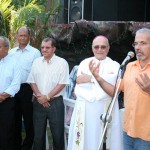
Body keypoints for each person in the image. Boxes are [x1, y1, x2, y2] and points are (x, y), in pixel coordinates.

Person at [68, 35, 123, 150]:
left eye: (103, 47)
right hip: (84, 109)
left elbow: (112, 91)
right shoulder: (84, 63)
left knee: (104, 140)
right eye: (96, 47)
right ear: (92, 48)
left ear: (108, 48)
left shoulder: (115, 65)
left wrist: (91, 79)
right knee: (83, 141)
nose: (100, 49)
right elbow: (78, 81)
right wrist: (99, 79)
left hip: (105, 108)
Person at [27, 37, 69, 150]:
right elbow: (31, 80)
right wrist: (41, 97)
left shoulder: (62, 63)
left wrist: (47, 97)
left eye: (47, 47)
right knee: (38, 136)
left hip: (55, 103)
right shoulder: (36, 62)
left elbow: (62, 83)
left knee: (57, 135)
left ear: (54, 49)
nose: (44, 50)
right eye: (42, 47)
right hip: (38, 103)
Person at [9, 26, 41, 150]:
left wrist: (35, 92)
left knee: (29, 120)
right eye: (20, 35)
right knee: (14, 119)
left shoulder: (35, 52)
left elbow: (38, 73)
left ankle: (27, 146)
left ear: (29, 37)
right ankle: (16, 145)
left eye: (25, 35)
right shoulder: (11, 53)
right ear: (17, 36)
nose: (22, 37)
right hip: (13, 90)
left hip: (28, 89)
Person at [119, 28, 150, 150]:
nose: (137, 47)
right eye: (136, 43)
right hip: (128, 132)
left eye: (143, 43)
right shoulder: (130, 66)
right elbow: (115, 90)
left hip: (146, 136)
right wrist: (97, 77)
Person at [0, 36, 21, 150]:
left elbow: (16, 84)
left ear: (6, 48)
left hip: (7, 103)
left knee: (6, 132)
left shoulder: (14, 63)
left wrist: (2, 96)